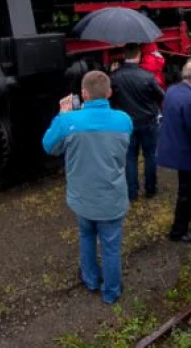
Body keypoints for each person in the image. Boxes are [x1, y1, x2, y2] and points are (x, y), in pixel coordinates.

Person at [43, 70, 132, 304]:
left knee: (86, 235)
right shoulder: (124, 120)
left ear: (83, 94)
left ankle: (91, 279)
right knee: (111, 245)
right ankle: (111, 292)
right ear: (109, 92)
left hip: (81, 198)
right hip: (111, 198)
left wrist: (62, 115)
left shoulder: (68, 121)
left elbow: (48, 146)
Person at [157, 60, 191, 243]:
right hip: (187, 150)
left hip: (172, 145)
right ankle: (178, 230)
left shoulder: (172, 90)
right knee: (186, 190)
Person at [110, 44, 165, 201]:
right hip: (148, 122)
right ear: (138, 55)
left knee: (130, 158)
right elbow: (160, 96)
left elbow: (110, 97)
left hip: (126, 124)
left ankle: (131, 192)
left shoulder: (115, 77)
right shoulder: (147, 76)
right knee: (150, 156)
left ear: (124, 55)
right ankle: (150, 189)